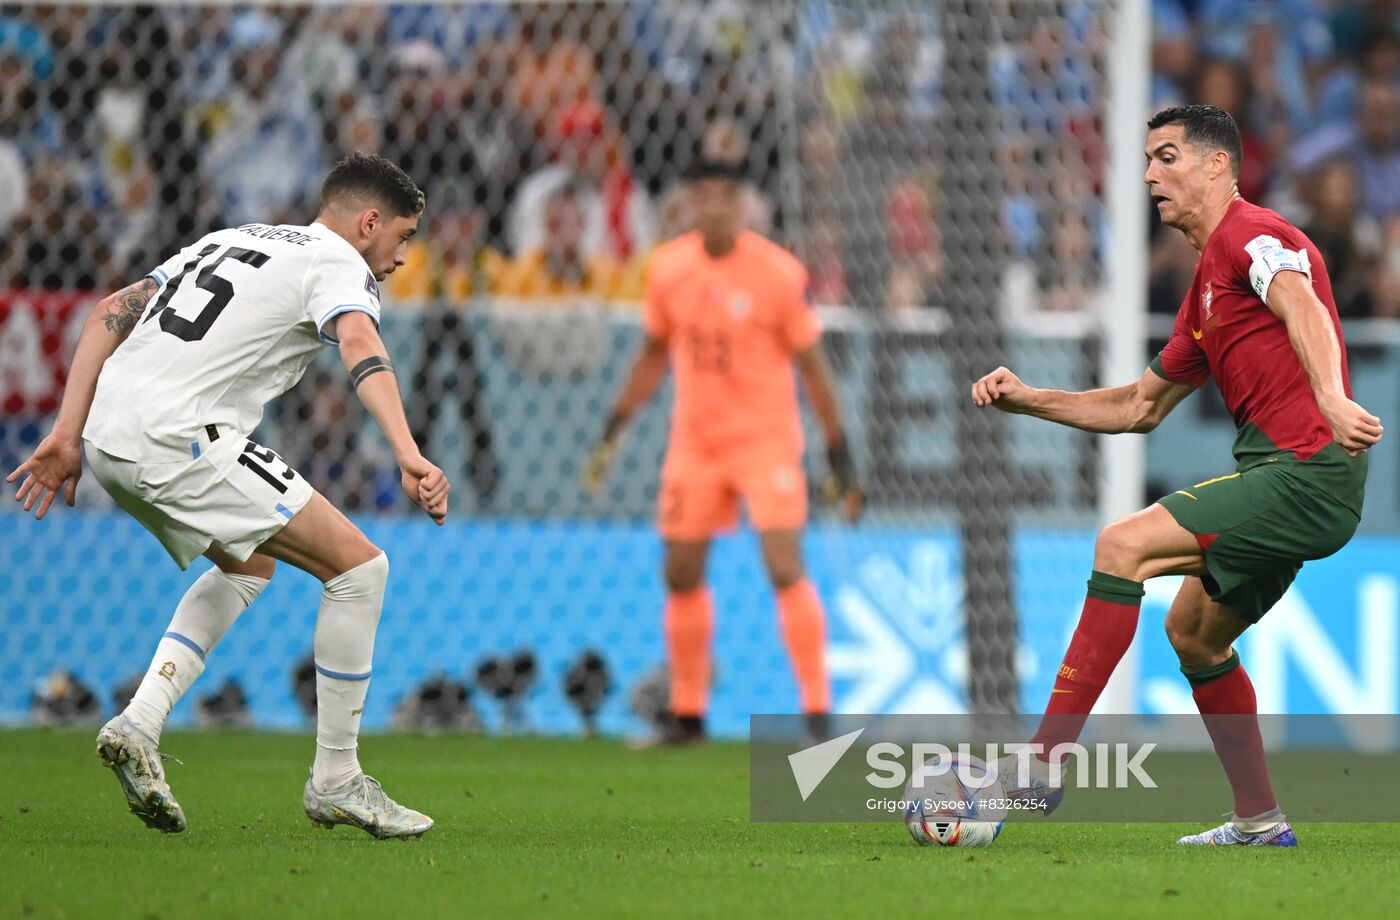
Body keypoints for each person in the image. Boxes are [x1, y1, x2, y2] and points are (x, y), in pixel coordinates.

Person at [6, 153, 451, 839]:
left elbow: (108, 311)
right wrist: (407, 450)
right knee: (361, 569)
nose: (399, 257)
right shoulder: (339, 265)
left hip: (107, 435)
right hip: (181, 435)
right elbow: (358, 339)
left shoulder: (234, 238)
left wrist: (67, 434)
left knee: (249, 562)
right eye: (402, 237)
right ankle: (337, 779)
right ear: (368, 222)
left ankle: (139, 724)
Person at [972, 104, 1382, 846]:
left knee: (1121, 546)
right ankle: (1259, 820)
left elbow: (1304, 306)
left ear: (1217, 165)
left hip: (1305, 471)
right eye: (1148, 160)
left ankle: (1037, 769)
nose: (1151, 175)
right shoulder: (1204, 293)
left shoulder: (1253, 235)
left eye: (1167, 157)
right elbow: (1138, 405)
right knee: (1193, 634)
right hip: (1292, 477)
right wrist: (1029, 397)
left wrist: (1329, 394)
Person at [585, 158, 863, 746]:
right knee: (680, 572)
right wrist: (617, 423)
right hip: (696, 444)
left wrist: (837, 448)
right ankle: (688, 715)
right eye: (702, 196)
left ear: (742, 205)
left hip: (765, 444)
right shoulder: (668, 269)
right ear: (688, 203)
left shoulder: (778, 274)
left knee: (784, 567)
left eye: (724, 197)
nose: (713, 208)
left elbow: (812, 365)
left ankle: (818, 716)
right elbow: (654, 352)